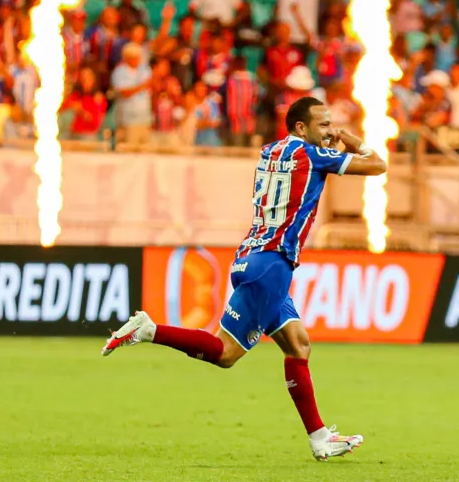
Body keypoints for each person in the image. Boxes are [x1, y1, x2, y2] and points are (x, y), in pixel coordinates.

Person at [102, 97, 387, 460]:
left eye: (333, 125)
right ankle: (147, 330)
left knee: (298, 345)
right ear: (301, 128)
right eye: (324, 125)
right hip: (273, 265)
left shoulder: (269, 151)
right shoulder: (313, 155)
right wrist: (348, 137)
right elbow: (377, 165)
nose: (330, 130)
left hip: (252, 256)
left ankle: (319, 437)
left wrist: (326, 139)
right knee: (225, 353)